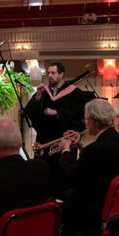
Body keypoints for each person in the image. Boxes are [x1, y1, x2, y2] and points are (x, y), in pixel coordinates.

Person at [57, 99, 119, 236]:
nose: (85, 122)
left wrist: (66, 149)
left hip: (95, 207)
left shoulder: (95, 150)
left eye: (86, 119)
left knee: (62, 196)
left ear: (94, 121)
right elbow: (100, 164)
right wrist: (80, 147)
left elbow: (70, 176)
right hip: (118, 203)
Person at [24, 62, 85, 192]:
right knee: (44, 176)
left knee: (63, 177)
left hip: (63, 141)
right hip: (45, 141)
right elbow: (30, 112)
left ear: (61, 75)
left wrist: (57, 113)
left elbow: (78, 117)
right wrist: (38, 96)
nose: (50, 76)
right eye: (49, 73)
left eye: (53, 73)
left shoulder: (74, 92)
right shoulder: (45, 92)